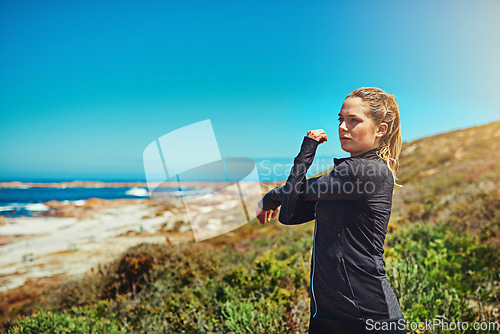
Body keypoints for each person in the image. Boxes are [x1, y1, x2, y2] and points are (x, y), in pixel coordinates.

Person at [256, 87, 406, 334]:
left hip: (365, 316)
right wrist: (274, 198)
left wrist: (308, 147)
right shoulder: (347, 175)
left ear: (380, 130)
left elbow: (297, 192)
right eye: (341, 119)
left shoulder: (364, 171)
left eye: (354, 120)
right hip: (327, 314)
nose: (343, 127)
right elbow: (290, 213)